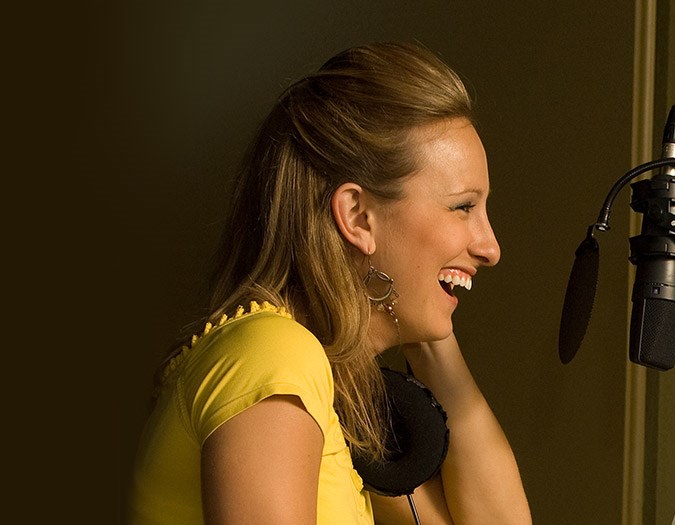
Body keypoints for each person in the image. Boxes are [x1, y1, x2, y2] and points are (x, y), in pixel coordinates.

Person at [130, 42, 531, 524]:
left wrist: (431, 335)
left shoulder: (325, 398)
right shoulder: (276, 359)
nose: (491, 248)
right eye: (463, 206)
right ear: (358, 217)